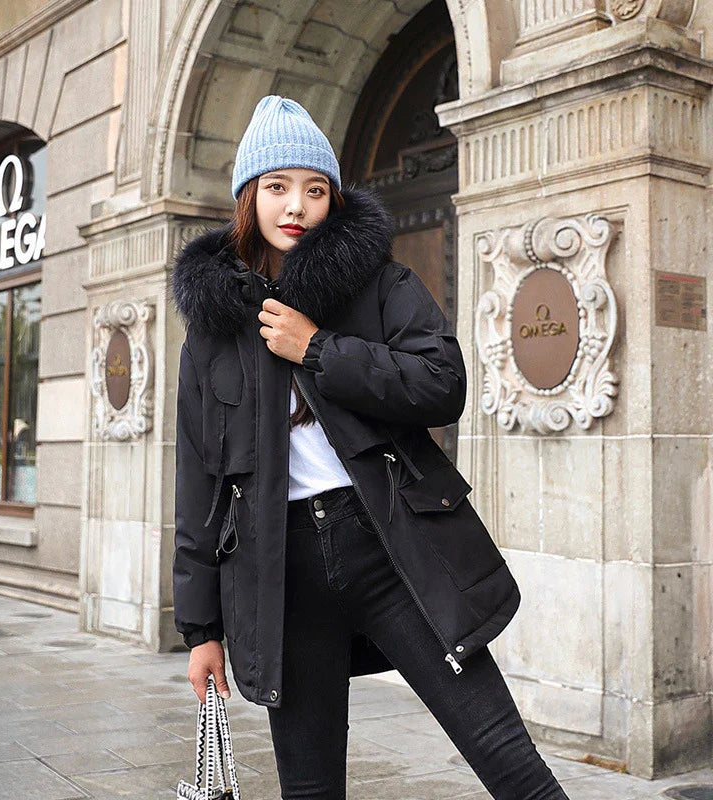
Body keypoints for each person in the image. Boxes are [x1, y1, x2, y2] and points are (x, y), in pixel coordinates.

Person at [171, 95, 570, 800]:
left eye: (315, 189)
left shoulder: (379, 285)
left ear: (334, 198)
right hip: (280, 575)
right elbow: (199, 486)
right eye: (278, 186)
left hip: (392, 547)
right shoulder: (213, 332)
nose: (297, 204)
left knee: (509, 762)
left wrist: (318, 348)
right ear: (248, 197)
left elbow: (442, 383)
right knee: (311, 788)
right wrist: (201, 628)